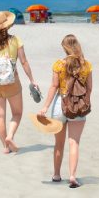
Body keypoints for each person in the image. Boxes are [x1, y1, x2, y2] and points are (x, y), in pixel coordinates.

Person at [37, 35, 92, 188]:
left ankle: (56, 174)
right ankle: (73, 176)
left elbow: (54, 87)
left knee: (58, 143)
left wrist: (45, 107)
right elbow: (89, 88)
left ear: (64, 48)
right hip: (79, 106)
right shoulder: (86, 65)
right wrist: (85, 103)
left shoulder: (58, 65)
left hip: (59, 106)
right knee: (74, 143)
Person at [0, 11, 39, 154]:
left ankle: (5, 147)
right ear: (7, 25)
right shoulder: (15, 40)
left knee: (0, 116)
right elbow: (24, 62)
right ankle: (10, 136)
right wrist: (32, 80)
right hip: (12, 82)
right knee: (17, 113)